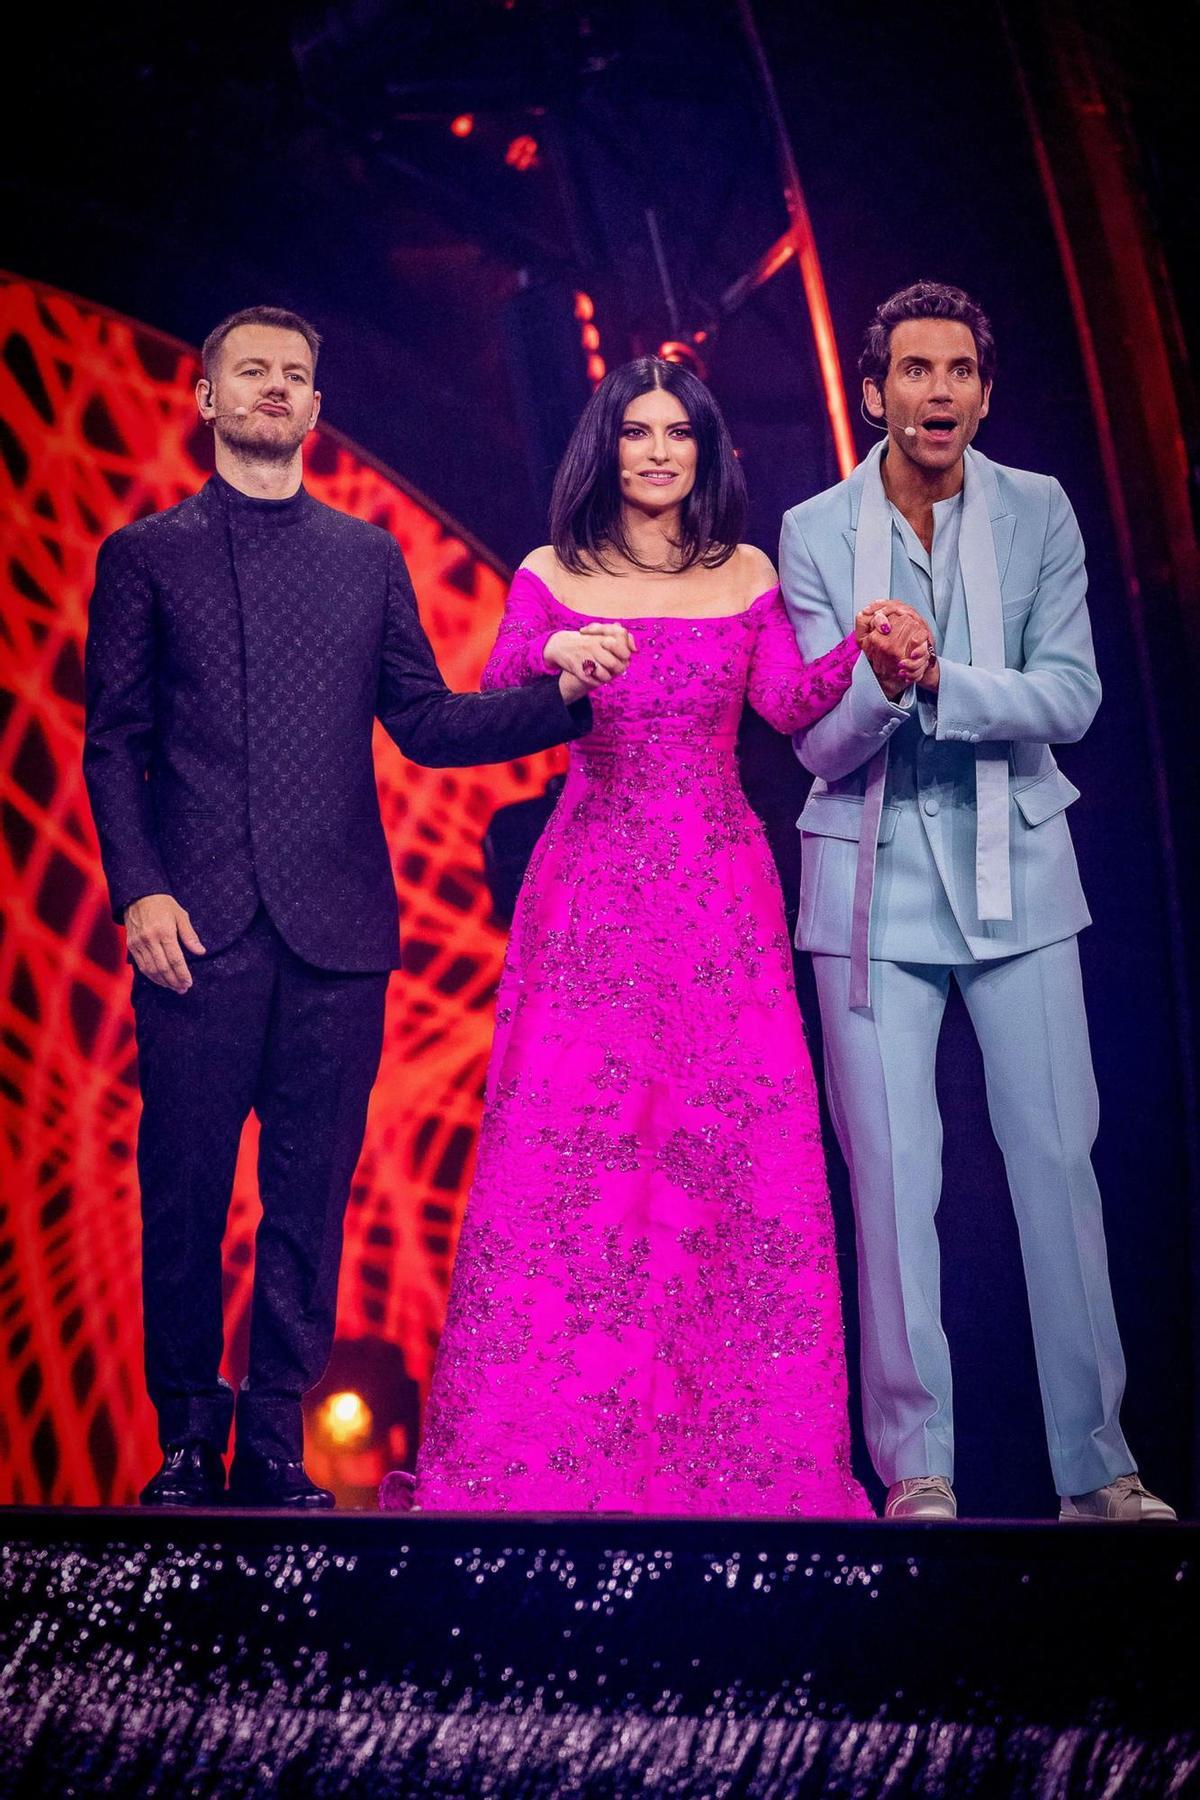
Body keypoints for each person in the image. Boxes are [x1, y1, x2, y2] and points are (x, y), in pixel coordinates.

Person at [83, 304, 607, 1509]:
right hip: (193, 931)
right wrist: (140, 892)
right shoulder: (146, 555)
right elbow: (115, 747)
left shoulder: (365, 557)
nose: (275, 388)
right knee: (186, 1192)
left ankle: (272, 1447)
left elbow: (423, 722)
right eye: (252, 372)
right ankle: (182, 1440)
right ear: (208, 400)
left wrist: (559, 699)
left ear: (318, 411)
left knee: (309, 1206)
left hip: (339, 934)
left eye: (296, 375)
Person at [387, 357, 897, 1517]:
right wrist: (559, 659)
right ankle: (556, 1454)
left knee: (730, 1160)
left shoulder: (747, 570)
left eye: (677, 432)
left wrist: (866, 654)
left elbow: (785, 706)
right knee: (578, 1163)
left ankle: (735, 1458)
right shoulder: (549, 573)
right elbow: (497, 695)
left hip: (721, 894)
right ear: (605, 449)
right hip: (591, 889)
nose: (658, 450)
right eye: (636, 432)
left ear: (704, 450)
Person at [779, 280, 1174, 1523]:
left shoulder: (1039, 510)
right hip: (868, 882)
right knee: (893, 1179)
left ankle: (1097, 1466)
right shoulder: (813, 529)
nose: (936, 391)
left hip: (1022, 878)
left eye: (958, 371)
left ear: (984, 393)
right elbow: (813, 743)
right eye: (913, 369)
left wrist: (941, 674)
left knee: (1057, 1163)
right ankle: (918, 1471)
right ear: (875, 389)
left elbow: (1073, 696)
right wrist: (881, 688)